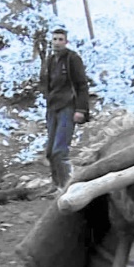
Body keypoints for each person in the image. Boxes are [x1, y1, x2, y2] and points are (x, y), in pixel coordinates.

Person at [39, 27, 90, 189]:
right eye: (55, 39)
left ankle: (67, 186)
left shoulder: (72, 59)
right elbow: (46, 83)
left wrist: (80, 110)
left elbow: (82, 85)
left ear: (66, 42)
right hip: (52, 108)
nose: (57, 43)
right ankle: (56, 185)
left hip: (68, 107)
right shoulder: (50, 60)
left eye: (60, 40)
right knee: (50, 151)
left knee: (60, 151)